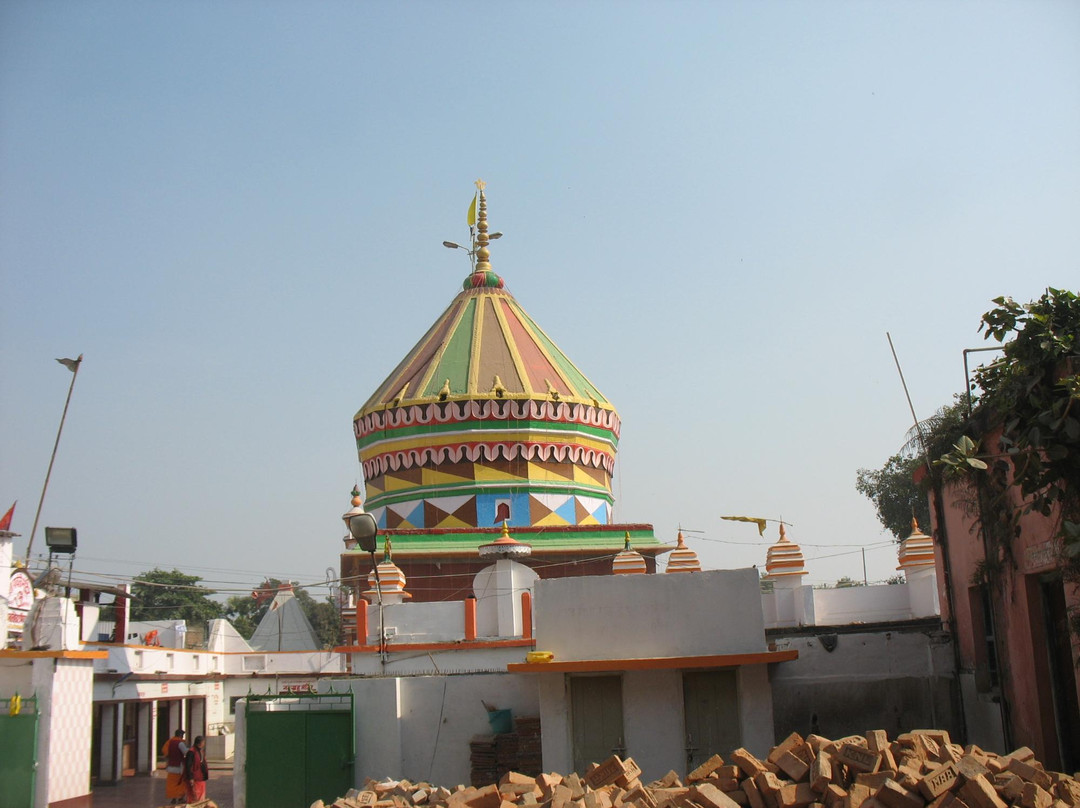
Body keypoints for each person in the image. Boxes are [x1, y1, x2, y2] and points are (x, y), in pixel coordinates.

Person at [162, 729, 188, 804]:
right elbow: (185, 752)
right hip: (179, 767)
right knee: (181, 783)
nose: (182, 737)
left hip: (170, 766)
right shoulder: (180, 743)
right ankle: (180, 798)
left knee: (172, 784)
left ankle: (173, 798)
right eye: (182, 735)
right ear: (180, 735)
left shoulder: (169, 742)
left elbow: (164, 751)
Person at [183, 734, 209, 804]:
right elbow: (188, 766)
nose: (204, 744)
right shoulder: (191, 752)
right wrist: (190, 778)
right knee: (194, 797)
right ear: (200, 743)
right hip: (194, 778)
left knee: (200, 797)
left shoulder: (200, 751)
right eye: (203, 742)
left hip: (200, 778)